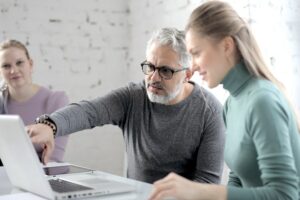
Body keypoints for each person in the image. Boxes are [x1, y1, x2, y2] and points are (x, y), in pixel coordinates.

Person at [27, 28, 225, 184]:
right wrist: (50, 125)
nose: (153, 78)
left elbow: (208, 183)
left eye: (165, 70)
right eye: (150, 67)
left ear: (188, 74)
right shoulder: (133, 97)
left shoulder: (210, 112)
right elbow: (90, 112)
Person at [149, 1, 300, 200]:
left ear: (227, 45)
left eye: (196, 53)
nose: (192, 67)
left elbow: (286, 194)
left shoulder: (262, 101)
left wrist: (200, 191)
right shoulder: (231, 104)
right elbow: (238, 178)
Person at [0, 39, 69, 166]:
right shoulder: (1, 103)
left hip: (48, 179)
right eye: (6, 66)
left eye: (19, 63)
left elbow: (53, 162)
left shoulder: (55, 100)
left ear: (30, 64)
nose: (13, 70)